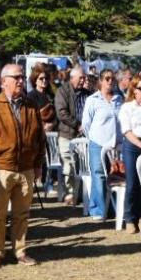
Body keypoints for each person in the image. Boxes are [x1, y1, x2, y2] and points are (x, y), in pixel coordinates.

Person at [0, 64, 46, 269]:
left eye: (22, 77)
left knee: (22, 214)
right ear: (4, 81)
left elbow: (40, 138)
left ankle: (20, 251)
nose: (20, 81)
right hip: (2, 168)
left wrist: (38, 164)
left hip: (26, 168)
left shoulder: (31, 105)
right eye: (16, 77)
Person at [82, 69, 123, 220]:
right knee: (98, 176)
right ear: (100, 80)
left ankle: (113, 208)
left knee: (116, 176)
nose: (110, 81)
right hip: (98, 143)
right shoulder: (92, 100)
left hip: (116, 145)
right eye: (107, 78)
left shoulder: (119, 99)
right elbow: (86, 124)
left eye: (112, 78)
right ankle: (98, 210)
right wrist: (94, 138)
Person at [118, 75, 141, 233]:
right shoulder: (127, 108)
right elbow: (127, 131)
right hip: (133, 146)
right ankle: (130, 218)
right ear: (134, 90)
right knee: (133, 182)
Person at [55, 65, 88, 204]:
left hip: (83, 136)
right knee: (68, 166)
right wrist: (77, 125)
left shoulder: (87, 93)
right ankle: (69, 193)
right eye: (81, 78)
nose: (83, 80)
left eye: (84, 78)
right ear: (72, 78)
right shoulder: (62, 91)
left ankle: (79, 194)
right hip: (67, 135)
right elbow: (62, 113)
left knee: (81, 166)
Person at [27, 64, 58, 132]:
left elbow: (57, 113)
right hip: (37, 131)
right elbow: (30, 117)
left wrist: (52, 124)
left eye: (46, 78)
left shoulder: (51, 95)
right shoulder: (31, 96)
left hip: (52, 132)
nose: (44, 80)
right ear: (35, 80)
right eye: (41, 78)